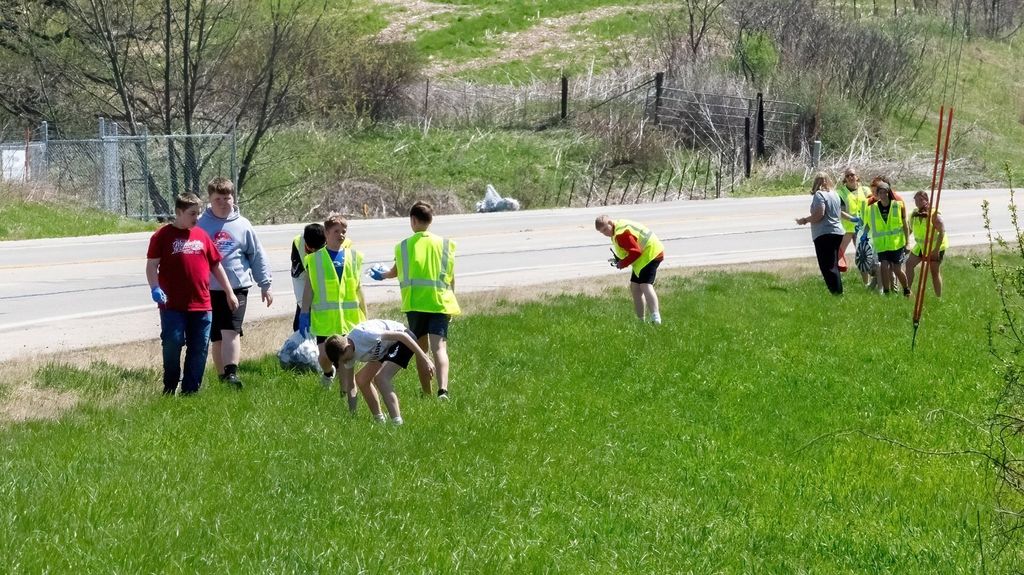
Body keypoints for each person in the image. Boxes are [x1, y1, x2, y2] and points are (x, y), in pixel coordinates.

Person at [146, 193, 238, 396]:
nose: (196, 217)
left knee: (199, 348)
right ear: (179, 212)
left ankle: (191, 390)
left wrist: (229, 292)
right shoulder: (162, 236)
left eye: (198, 212)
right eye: (192, 213)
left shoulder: (201, 235)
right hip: (172, 305)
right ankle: (170, 384)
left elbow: (216, 266)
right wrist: (155, 287)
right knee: (173, 342)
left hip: (202, 304)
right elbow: (152, 265)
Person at [371, 201, 460, 399]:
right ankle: (443, 390)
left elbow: (394, 272)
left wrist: (382, 275)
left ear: (413, 220)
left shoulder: (403, 246)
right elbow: (451, 277)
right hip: (440, 303)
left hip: (416, 305)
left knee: (422, 350)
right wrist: (450, 304)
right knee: (440, 348)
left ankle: (426, 391)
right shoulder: (445, 244)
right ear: (430, 220)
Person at [197, 176, 273, 389]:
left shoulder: (243, 225)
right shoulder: (201, 225)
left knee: (231, 330)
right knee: (217, 336)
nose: (223, 202)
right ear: (210, 200)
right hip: (208, 288)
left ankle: (231, 374)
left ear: (234, 198)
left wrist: (265, 284)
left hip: (237, 287)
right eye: (218, 198)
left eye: (227, 198)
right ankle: (222, 377)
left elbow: (257, 255)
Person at [299, 214, 367, 408]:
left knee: (347, 364)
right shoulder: (314, 260)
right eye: (336, 231)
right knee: (324, 357)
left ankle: (346, 401)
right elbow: (309, 288)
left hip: (349, 321)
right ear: (326, 233)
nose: (341, 235)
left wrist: (366, 314)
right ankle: (328, 373)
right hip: (325, 321)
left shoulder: (354, 257)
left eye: (344, 231)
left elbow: (359, 288)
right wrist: (304, 313)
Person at [323, 319, 436, 425]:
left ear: (348, 347)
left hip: (402, 340)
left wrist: (424, 358)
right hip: (383, 349)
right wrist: (352, 415)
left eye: (344, 359)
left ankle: (397, 423)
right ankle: (379, 421)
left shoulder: (365, 335)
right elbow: (351, 386)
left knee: (381, 378)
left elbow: (402, 336)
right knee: (361, 380)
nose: (345, 362)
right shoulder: (346, 353)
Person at [594, 215, 665, 324]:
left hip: (651, 254)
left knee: (645, 285)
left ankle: (656, 320)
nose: (605, 233)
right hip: (643, 258)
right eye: (602, 232)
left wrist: (622, 263)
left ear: (610, 223)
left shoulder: (621, 234)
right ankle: (640, 321)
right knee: (635, 288)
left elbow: (635, 252)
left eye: (605, 229)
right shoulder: (618, 226)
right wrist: (621, 259)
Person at [795, 172, 854, 295]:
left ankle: (836, 292)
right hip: (837, 232)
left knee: (827, 266)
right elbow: (839, 213)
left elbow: (819, 214)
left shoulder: (819, 195)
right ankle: (837, 290)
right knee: (833, 264)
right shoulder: (835, 195)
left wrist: (805, 220)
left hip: (824, 233)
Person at [864, 180, 911, 296]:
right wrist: (863, 236)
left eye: (885, 192)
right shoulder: (873, 208)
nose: (883, 195)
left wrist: (908, 243)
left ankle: (906, 289)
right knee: (883, 266)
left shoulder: (897, 205)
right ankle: (886, 292)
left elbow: (905, 225)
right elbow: (869, 224)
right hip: (882, 245)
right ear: (878, 194)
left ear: (888, 193)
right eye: (880, 192)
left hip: (896, 244)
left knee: (897, 269)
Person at [906, 190, 948, 298]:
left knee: (934, 271)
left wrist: (936, 250)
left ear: (926, 200)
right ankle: (908, 292)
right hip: (921, 246)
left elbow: (942, 232)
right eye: (916, 200)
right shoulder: (913, 214)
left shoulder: (934, 214)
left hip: (935, 246)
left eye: (921, 200)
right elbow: (909, 230)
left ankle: (939, 297)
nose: (918, 202)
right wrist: (904, 242)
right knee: (909, 264)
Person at [837, 168, 872, 285]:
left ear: (857, 176)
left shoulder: (866, 191)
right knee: (838, 254)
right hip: (847, 229)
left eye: (852, 175)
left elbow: (873, 206)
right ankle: (834, 281)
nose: (850, 177)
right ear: (845, 179)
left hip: (862, 229)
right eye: (847, 176)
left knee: (863, 254)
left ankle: (866, 283)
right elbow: (839, 211)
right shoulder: (841, 192)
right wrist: (852, 219)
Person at [290, 223, 327, 332]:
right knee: (300, 326)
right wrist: (304, 310)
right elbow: (300, 280)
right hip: (303, 276)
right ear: (307, 246)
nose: (315, 253)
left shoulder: (333, 240)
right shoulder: (299, 244)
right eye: (312, 250)